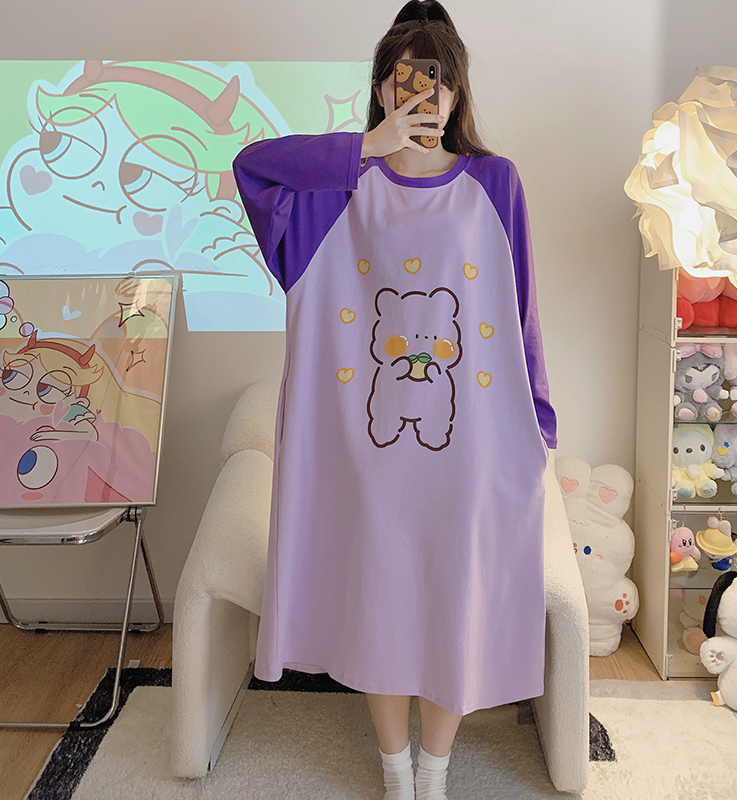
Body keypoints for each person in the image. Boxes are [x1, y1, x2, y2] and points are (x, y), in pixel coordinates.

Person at [233, 2, 556, 798]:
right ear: (382, 88)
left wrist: (540, 418)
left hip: (469, 446)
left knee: (453, 604)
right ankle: (394, 768)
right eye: (408, 78)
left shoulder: (494, 183)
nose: (424, 94)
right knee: (381, 603)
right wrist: (365, 149)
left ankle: (435, 772)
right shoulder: (328, 192)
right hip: (367, 454)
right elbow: (251, 164)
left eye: (439, 79)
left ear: (458, 92)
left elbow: (521, 310)